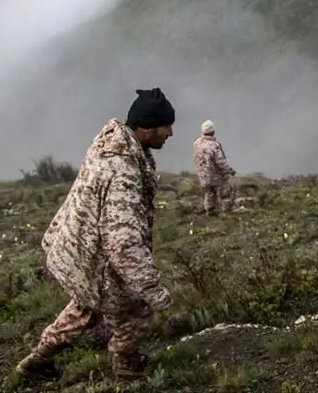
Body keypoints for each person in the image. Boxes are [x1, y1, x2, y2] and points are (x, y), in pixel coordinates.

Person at [15, 88, 177, 382]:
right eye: (166, 126)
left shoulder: (110, 145)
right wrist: (152, 290)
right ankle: (127, 366)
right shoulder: (124, 171)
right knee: (134, 307)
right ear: (146, 128)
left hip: (77, 251)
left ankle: (38, 360)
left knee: (84, 308)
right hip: (95, 257)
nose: (171, 133)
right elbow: (123, 242)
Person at [193, 119, 236, 216]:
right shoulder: (214, 146)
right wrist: (229, 170)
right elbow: (220, 161)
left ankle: (210, 210)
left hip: (203, 174)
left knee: (209, 192)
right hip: (215, 175)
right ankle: (227, 211)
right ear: (213, 131)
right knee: (225, 192)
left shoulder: (197, 143)